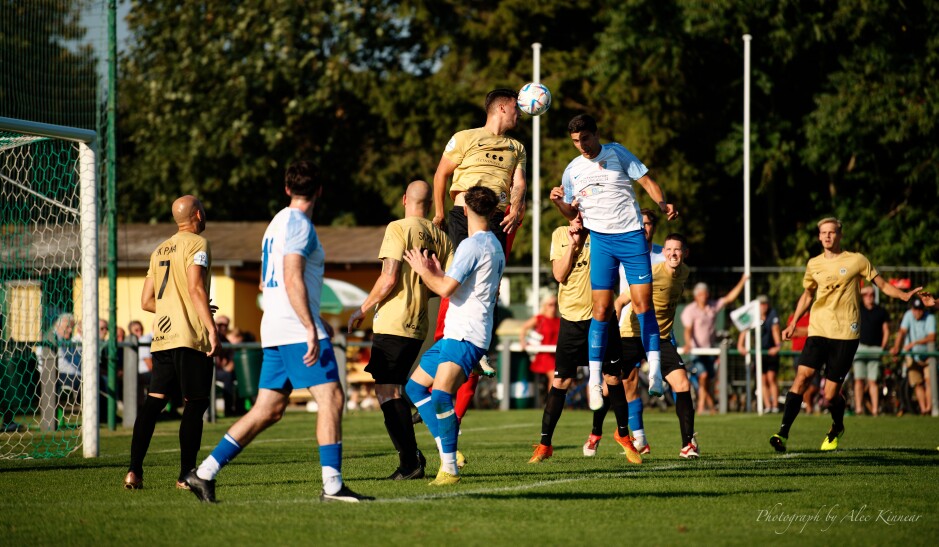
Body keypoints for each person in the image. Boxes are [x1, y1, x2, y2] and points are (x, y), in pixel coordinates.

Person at [185, 161, 371, 503]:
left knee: (268, 409)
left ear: (287, 189)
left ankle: (204, 472)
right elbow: (291, 275)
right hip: (294, 326)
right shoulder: (301, 224)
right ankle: (332, 487)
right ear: (319, 191)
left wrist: (312, 317)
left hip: (275, 323)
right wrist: (308, 325)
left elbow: (264, 281)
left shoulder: (276, 223)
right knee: (332, 398)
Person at [549, 114, 678, 408]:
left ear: (596, 134)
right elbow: (573, 214)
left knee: (644, 304)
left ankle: (655, 372)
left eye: (585, 138)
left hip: (631, 238)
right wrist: (559, 201)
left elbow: (646, 181)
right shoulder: (572, 171)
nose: (581, 146)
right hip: (602, 242)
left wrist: (661, 203)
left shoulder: (617, 152)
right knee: (602, 309)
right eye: (575, 141)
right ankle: (595, 381)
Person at [770, 218, 920, 453]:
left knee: (830, 396)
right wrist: (794, 322)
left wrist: (903, 295)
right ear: (819, 237)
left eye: (832, 232)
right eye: (823, 233)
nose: (827, 236)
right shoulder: (814, 264)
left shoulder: (856, 260)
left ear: (840, 235)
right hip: (818, 330)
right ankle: (783, 433)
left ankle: (837, 426)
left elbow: (881, 283)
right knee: (802, 377)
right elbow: (808, 295)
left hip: (845, 335)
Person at [429, 88, 528, 424]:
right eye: (517, 108)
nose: (521, 114)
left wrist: (516, 205)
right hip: (463, 212)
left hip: (497, 215)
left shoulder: (517, 147)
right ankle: (445, 340)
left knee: (489, 281)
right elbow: (441, 174)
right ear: (502, 107)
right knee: (460, 275)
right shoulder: (465, 138)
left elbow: (518, 181)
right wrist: (440, 212)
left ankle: (478, 347)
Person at [348, 179, 453, 480]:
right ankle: (413, 450)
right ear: (430, 205)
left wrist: (362, 309)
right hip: (419, 324)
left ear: (404, 199)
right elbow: (444, 284)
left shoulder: (398, 228)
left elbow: (389, 277)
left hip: (394, 321)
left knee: (386, 391)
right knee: (394, 389)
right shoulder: (441, 237)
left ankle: (411, 461)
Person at [403, 186, 505, 485]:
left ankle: (449, 468)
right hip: (458, 332)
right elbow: (459, 284)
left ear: (465, 210)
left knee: (441, 396)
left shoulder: (472, 245)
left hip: (466, 333)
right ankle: (447, 451)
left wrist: (423, 270)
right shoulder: (493, 244)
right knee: (415, 388)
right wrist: (437, 270)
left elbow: (446, 289)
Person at [123, 195, 220, 491]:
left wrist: (177, 308)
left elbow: (147, 301)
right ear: (199, 215)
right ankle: (185, 475)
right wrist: (211, 328)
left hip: (162, 338)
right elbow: (194, 288)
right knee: (195, 403)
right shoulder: (198, 245)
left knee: (153, 404)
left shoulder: (159, 249)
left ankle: (133, 471)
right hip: (190, 337)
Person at [527, 216, 618, 463]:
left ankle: (612, 435)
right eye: (573, 211)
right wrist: (573, 246)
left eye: (581, 211)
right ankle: (545, 444)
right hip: (571, 319)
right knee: (561, 382)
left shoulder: (604, 231)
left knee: (611, 378)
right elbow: (559, 274)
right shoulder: (560, 234)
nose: (577, 216)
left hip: (602, 317)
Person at [590, 207, 667, 456]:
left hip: (657, 327)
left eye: (647, 224)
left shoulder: (662, 256)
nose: (643, 227)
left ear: (654, 227)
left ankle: (687, 441)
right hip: (626, 326)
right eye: (639, 223)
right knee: (623, 382)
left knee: (680, 382)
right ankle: (610, 434)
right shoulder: (624, 249)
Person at [681, 275, 747, 415]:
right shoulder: (690, 310)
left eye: (706, 294)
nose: (704, 297)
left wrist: (743, 280)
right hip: (696, 351)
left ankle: (710, 407)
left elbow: (729, 298)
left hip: (710, 350)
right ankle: (701, 406)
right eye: (701, 294)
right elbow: (688, 330)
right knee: (703, 376)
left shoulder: (712, 306)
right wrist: (688, 343)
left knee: (709, 380)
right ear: (696, 296)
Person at [736, 295, 782, 413]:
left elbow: (775, 329)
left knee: (771, 377)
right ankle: (767, 406)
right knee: (762, 379)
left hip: (770, 351)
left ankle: (775, 405)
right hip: (759, 353)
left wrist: (777, 346)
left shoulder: (772, 314)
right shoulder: (753, 316)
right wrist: (740, 345)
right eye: (761, 304)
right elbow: (745, 328)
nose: (763, 306)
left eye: (765, 304)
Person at [890, 296, 934, 415]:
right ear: (912, 309)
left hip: (928, 355)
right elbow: (902, 332)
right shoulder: (908, 315)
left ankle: (930, 408)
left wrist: (915, 343)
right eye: (915, 309)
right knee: (917, 383)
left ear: (923, 310)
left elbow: (932, 337)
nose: (917, 312)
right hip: (912, 356)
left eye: (920, 309)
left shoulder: (930, 317)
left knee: (929, 381)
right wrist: (896, 347)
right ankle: (924, 409)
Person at [852, 285, 890, 416]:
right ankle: (859, 408)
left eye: (872, 294)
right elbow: (852, 295)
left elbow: (886, 330)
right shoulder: (859, 308)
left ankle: (875, 409)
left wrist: (882, 346)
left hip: (875, 349)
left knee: (873, 381)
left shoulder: (881, 311)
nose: (869, 297)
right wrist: (864, 290)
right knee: (859, 380)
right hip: (860, 348)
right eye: (866, 295)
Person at [519, 295, 561, 396]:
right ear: (545, 306)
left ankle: (556, 402)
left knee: (561, 378)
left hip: (556, 355)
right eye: (550, 305)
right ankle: (553, 403)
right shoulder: (540, 318)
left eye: (555, 304)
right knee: (554, 376)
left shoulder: (559, 320)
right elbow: (524, 328)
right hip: (544, 355)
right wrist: (522, 341)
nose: (553, 307)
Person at [212, 315, 238, 417]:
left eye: (225, 325)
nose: (223, 327)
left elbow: (232, 360)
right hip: (211, 370)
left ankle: (240, 408)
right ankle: (228, 410)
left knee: (238, 375)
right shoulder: (212, 337)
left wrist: (229, 365)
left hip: (221, 371)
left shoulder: (226, 341)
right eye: (220, 324)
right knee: (228, 376)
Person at [128, 320, 153, 405]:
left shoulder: (143, 340)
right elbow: (149, 363)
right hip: (144, 373)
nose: (140, 332)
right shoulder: (143, 340)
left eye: (141, 329)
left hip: (141, 373)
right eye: (136, 330)